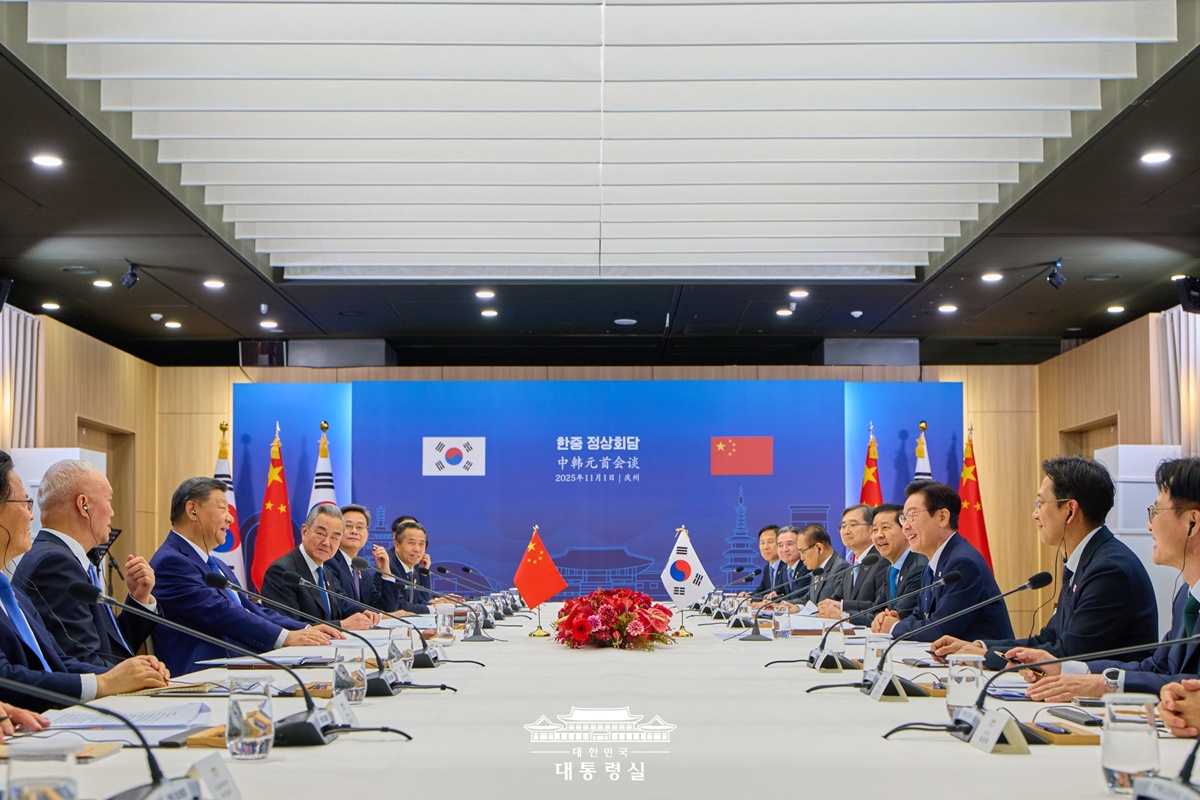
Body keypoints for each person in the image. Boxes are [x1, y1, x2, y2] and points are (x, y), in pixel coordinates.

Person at [931, 456, 1157, 669]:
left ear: (1070, 510)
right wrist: (981, 646)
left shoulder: (1109, 570)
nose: (1035, 514)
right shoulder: (1087, 558)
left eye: (1040, 503)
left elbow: (1068, 653)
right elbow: (1048, 638)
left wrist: (985, 657)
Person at [1013, 457, 1200, 702]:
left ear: (1192, 522)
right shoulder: (1185, 595)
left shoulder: (1111, 568)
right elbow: (1159, 668)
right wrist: (1071, 671)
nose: (1149, 525)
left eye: (1155, 511)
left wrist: (1102, 685)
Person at [0, 451, 169, 711]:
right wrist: (109, 682)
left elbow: (59, 659)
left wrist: (132, 673)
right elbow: (10, 677)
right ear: (84, 505)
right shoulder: (54, 563)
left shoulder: (16, 594)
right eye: (24, 504)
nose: (31, 516)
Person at [150, 477, 344, 676]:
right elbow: (221, 612)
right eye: (222, 508)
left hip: (239, 664)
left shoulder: (218, 565)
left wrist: (307, 628)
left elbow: (251, 608)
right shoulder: (171, 562)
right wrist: (285, 637)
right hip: (204, 674)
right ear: (193, 510)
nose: (230, 518)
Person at [13, 460, 159, 668]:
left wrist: (139, 599)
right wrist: (133, 677)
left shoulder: (67, 558)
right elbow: (83, 660)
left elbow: (110, 649)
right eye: (108, 500)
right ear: (84, 505)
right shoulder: (55, 564)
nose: (112, 512)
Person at [871, 480, 1013, 642]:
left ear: (942, 517)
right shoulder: (932, 565)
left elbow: (941, 629)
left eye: (912, 516)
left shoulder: (962, 563)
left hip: (982, 664)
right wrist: (894, 621)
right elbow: (919, 615)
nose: (906, 527)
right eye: (904, 518)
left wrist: (895, 627)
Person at [261, 504, 380, 630]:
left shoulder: (325, 572)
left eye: (334, 537)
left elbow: (341, 604)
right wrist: (341, 625)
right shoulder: (282, 571)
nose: (326, 543)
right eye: (321, 534)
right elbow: (287, 626)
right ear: (304, 531)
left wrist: (364, 612)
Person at [818, 504, 890, 624]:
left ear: (871, 529)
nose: (846, 531)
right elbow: (835, 599)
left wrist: (842, 606)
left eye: (853, 525)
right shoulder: (851, 567)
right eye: (843, 526)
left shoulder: (882, 560)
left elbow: (880, 606)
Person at [322, 503, 399, 613]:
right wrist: (377, 616)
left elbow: (388, 609)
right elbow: (340, 604)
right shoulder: (329, 562)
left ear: (367, 534)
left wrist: (386, 572)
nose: (354, 531)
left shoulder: (361, 570)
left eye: (360, 527)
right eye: (348, 526)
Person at [869, 503, 928, 620]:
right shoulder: (891, 570)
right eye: (875, 530)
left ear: (906, 531)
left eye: (885, 527)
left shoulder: (918, 567)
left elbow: (901, 614)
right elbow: (877, 610)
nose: (879, 535)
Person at [799, 524, 848, 605]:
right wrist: (790, 606)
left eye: (802, 551)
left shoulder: (840, 568)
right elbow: (808, 600)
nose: (801, 558)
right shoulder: (818, 569)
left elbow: (834, 603)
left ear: (819, 548)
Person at [752, 525, 782, 597]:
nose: (766, 547)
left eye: (770, 542)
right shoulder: (767, 568)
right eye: (762, 543)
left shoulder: (787, 566)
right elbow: (761, 591)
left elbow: (781, 593)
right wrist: (747, 596)